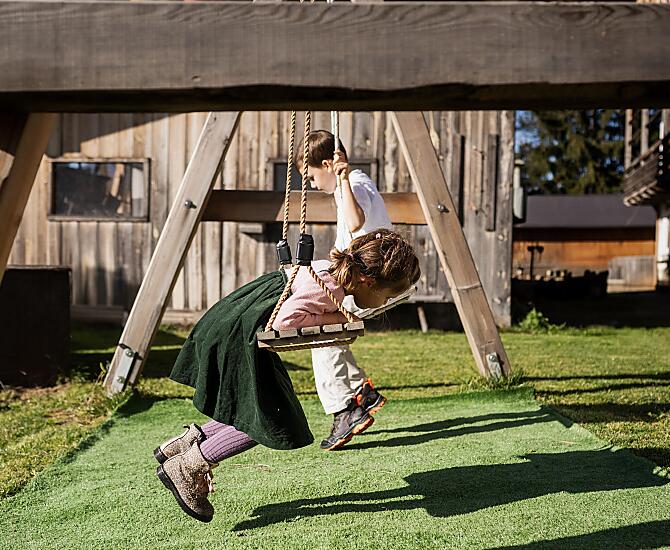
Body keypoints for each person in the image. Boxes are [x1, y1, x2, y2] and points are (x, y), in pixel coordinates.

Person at [154, 229, 420, 523]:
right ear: (368, 281)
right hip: (238, 339)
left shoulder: (325, 271)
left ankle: (190, 441)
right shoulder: (327, 290)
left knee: (261, 407)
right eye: (387, 295)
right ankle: (187, 466)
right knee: (270, 420)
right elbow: (284, 322)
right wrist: (337, 317)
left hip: (234, 326)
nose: (384, 303)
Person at [296, 130, 394, 450]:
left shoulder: (352, 184)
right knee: (329, 328)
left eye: (311, 177)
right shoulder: (356, 182)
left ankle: (344, 408)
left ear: (327, 165)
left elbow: (355, 222)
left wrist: (343, 181)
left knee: (319, 330)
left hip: (368, 283)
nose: (312, 185)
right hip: (369, 278)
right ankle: (360, 391)